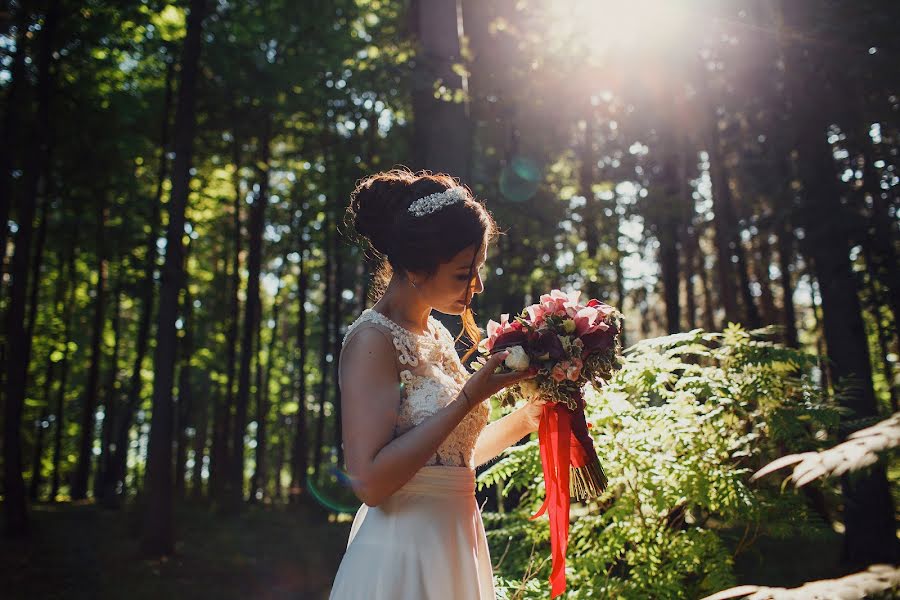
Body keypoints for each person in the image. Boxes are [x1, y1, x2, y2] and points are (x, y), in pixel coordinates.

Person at [329, 169, 545, 599]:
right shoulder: (372, 341)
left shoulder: (436, 334)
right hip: (403, 553)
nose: (477, 287)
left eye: (479, 270)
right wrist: (469, 397)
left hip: (456, 544)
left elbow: (450, 459)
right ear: (414, 268)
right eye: (464, 273)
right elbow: (369, 483)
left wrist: (528, 419)